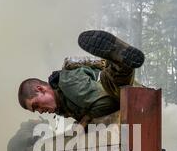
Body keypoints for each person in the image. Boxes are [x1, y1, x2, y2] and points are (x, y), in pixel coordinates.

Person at [17, 30, 145, 128]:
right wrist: (83, 120)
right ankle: (120, 61)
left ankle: (121, 62)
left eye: (36, 105)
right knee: (116, 89)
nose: (40, 111)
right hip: (135, 102)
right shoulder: (63, 103)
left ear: (40, 89)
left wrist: (86, 119)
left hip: (135, 95)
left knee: (112, 85)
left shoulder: (68, 83)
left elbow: (106, 103)